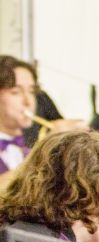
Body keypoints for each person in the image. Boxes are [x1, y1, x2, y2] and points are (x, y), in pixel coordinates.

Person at [0, 55, 85, 189]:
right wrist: (45, 146)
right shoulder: (36, 147)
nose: (28, 102)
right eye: (15, 92)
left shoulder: (26, 144)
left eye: (31, 91)